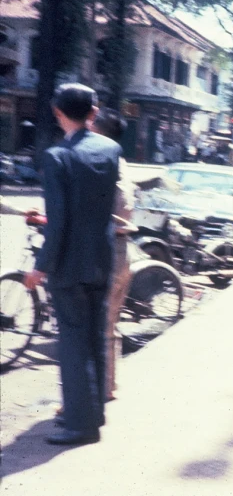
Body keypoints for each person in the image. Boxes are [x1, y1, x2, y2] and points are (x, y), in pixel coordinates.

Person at [24, 83, 122, 445]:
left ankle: (81, 426)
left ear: (56, 112)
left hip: (68, 265)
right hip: (101, 258)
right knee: (95, 336)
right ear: (94, 112)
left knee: (72, 344)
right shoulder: (111, 149)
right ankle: (94, 413)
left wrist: (40, 266)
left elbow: (61, 218)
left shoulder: (57, 156)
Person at [89, 108, 138, 403]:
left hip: (108, 252)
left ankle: (94, 394)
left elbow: (113, 208)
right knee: (109, 326)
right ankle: (108, 386)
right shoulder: (122, 163)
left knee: (96, 327)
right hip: (123, 252)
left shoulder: (104, 161)